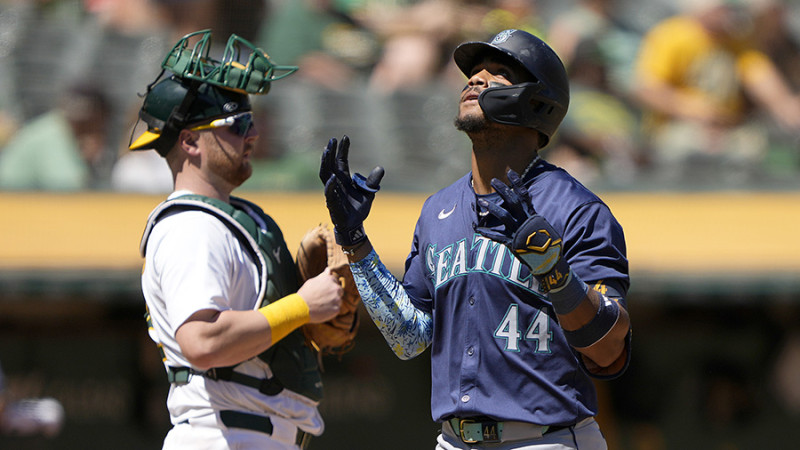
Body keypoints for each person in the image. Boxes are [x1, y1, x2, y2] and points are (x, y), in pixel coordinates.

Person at [319, 29, 631, 449]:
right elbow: (410, 337)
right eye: (473, 71)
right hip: (453, 441)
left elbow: (610, 349)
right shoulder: (437, 209)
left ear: (537, 100)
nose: (475, 79)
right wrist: (355, 242)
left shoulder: (575, 208)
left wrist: (553, 272)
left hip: (545, 439)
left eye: (499, 72)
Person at [129, 30, 343, 449]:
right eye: (236, 124)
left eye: (252, 122)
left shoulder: (231, 220)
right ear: (190, 141)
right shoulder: (192, 226)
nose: (252, 135)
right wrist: (302, 306)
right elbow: (203, 342)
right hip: (226, 434)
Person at [632, 0, 800, 184]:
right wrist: (694, 110)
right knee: (683, 149)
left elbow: (760, 75)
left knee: (754, 149)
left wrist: (786, 105)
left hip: (728, 130)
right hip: (676, 131)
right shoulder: (671, 35)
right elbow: (647, 89)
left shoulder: (736, 39)